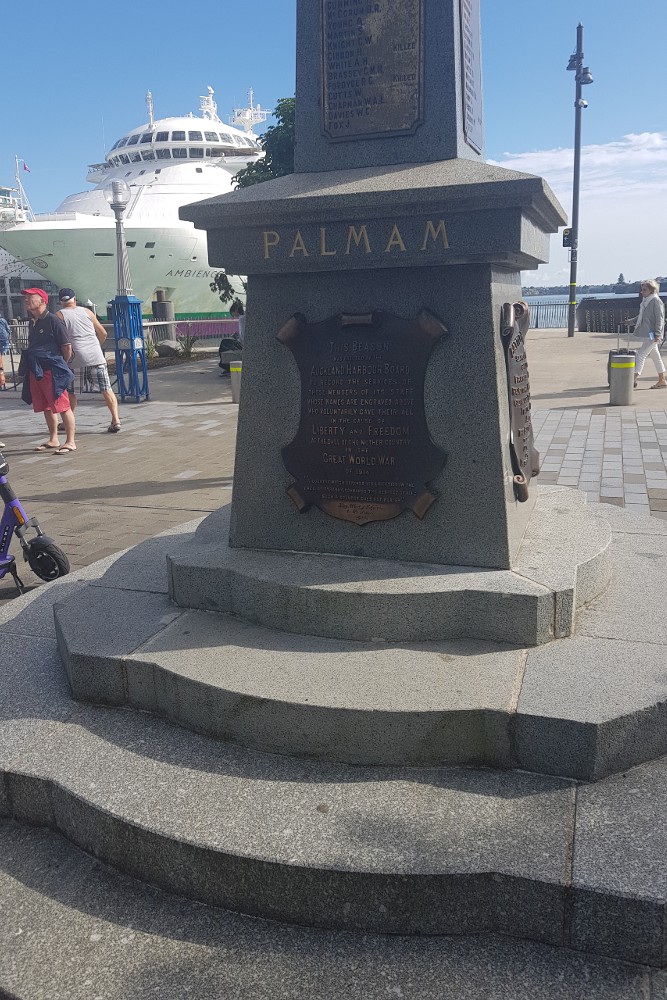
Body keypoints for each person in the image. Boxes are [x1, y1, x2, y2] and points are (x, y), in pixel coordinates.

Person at [18, 288, 76, 453]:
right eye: (26, 298)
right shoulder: (32, 321)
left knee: (62, 405)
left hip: (52, 369)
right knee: (46, 406)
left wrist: (59, 365)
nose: (26, 300)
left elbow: (67, 347)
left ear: (43, 300)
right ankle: (53, 438)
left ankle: (71, 441)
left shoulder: (53, 320)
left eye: (30, 297)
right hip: (37, 370)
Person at [55, 289, 121, 431]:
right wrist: (96, 345)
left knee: (72, 392)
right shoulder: (87, 312)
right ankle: (116, 420)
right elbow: (102, 332)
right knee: (106, 389)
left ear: (61, 302)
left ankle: (68, 421)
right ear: (75, 300)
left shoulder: (59, 315)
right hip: (96, 356)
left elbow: (60, 339)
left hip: (75, 358)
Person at [625, 279, 666, 389]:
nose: (642, 292)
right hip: (649, 334)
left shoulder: (655, 301)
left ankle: (633, 378)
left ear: (651, 290)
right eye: (641, 289)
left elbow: (660, 319)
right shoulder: (646, 301)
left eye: (644, 290)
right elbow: (643, 316)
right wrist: (631, 321)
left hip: (653, 334)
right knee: (655, 357)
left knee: (641, 354)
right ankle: (662, 380)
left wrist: (658, 334)